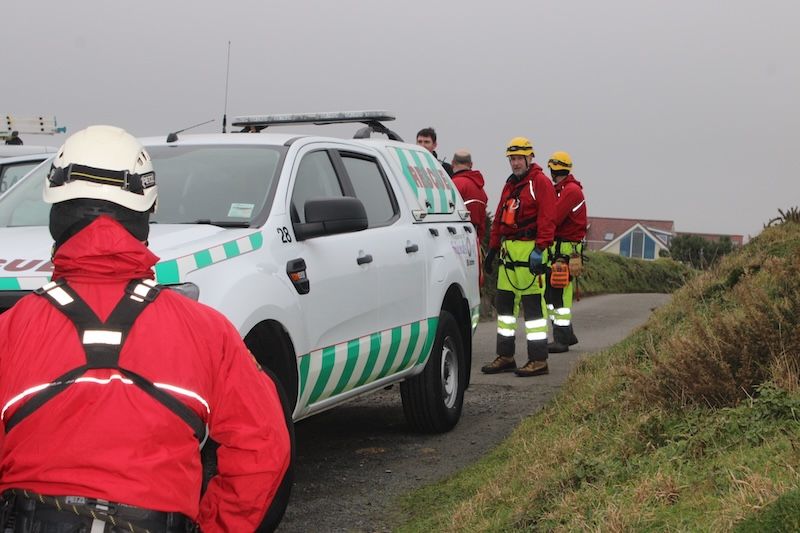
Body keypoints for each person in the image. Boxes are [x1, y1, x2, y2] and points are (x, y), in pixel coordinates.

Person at [0, 125, 292, 532]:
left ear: (56, 215)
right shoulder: (207, 331)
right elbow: (264, 447)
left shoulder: (11, 331)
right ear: (144, 215)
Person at [481, 137, 556, 377]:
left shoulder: (540, 183)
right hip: (508, 255)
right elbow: (501, 218)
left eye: (518, 158)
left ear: (529, 158)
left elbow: (548, 218)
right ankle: (505, 356)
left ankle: (538, 360)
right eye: (511, 159)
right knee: (505, 310)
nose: (514, 163)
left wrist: (541, 249)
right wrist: (492, 250)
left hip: (530, 253)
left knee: (534, 312)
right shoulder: (509, 185)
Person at [545, 151, 587, 353]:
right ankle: (567, 335)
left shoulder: (570, 191)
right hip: (563, 251)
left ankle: (561, 339)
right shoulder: (567, 189)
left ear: (554, 169)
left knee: (558, 296)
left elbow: (553, 216)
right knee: (554, 295)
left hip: (565, 252)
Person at [451, 149, 488, 283]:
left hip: (455, 245)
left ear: (452, 163)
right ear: (471, 165)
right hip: (474, 244)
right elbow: (483, 223)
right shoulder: (480, 189)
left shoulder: (453, 185)